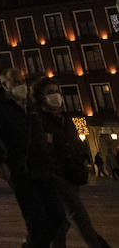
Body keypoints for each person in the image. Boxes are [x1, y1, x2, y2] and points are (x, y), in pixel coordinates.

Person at [0, 68, 66, 248]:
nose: (22, 85)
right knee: (36, 219)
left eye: (22, 81)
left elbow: (39, 132)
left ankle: (31, 245)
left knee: (58, 216)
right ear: (5, 85)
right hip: (20, 169)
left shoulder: (30, 104)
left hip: (42, 165)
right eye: (16, 82)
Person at [34, 77, 113, 248]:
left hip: (71, 174)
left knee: (62, 221)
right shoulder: (37, 120)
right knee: (78, 215)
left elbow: (75, 141)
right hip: (54, 176)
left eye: (56, 91)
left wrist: (81, 158)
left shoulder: (66, 117)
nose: (55, 95)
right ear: (41, 97)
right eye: (50, 92)